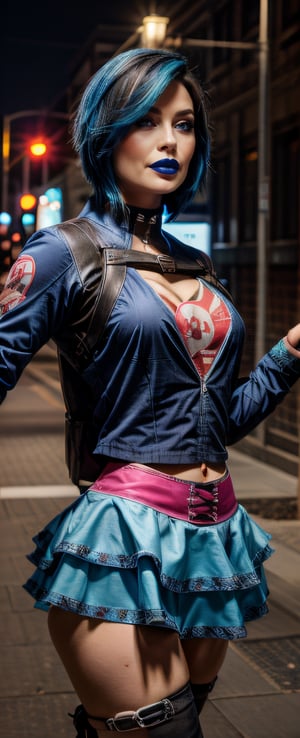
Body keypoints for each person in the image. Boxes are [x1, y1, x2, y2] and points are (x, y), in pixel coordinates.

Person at [1, 47, 300, 738]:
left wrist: (288, 355)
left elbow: (218, 423)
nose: (171, 140)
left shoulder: (193, 262)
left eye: (186, 123)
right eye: (149, 119)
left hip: (213, 540)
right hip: (121, 544)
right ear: (110, 129)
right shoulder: (61, 251)